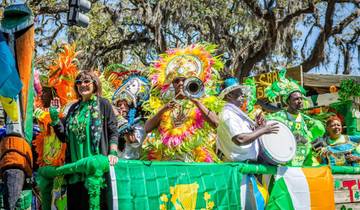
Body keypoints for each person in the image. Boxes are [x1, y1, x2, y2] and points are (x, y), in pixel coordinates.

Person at [142, 44, 224, 162]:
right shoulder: (164, 105)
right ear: (172, 84)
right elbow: (147, 127)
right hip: (168, 162)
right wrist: (164, 108)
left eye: (184, 80)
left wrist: (196, 101)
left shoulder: (199, 104)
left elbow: (216, 123)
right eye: (176, 81)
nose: (180, 83)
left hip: (194, 161)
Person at [50, 70, 119, 210]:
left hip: (96, 171)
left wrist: (113, 153)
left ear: (94, 84)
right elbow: (64, 138)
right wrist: (55, 119)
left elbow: (113, 131)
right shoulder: (73, 109)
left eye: (87, 81)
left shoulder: (103, 104)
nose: (83, 84)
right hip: (75, 172)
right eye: (79, 82)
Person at [265, 69, 325, 166]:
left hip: (305, 162)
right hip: (286, 163)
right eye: (296, 99)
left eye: (301, 98)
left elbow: (318, 130)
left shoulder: (305, 119)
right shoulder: (278, 117)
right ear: (287, 102)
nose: (300, 101)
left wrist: (309, 141)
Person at [217, 77, 279, 162]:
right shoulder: (228, 114)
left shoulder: (234, 113)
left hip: (245, 166)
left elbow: (245, 136)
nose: (243, 95)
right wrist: (263, 130)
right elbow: (240, 139)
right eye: (239, 93)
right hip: (238, 168)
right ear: (229, 95)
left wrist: (258, 128)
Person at [112, 72, 150, 160]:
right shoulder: (113, 123)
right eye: (119, 104)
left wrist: (119, 119)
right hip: (116, 164)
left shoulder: (139, 123)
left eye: (125, 104)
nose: (121, 107)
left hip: (133, 166)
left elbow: (133, 141)